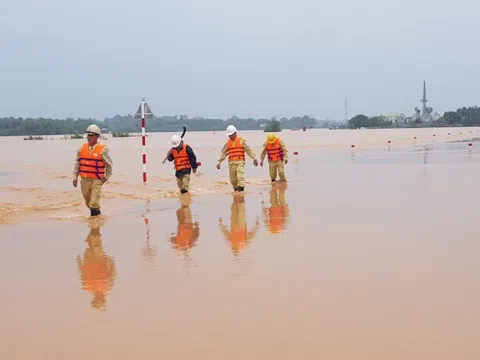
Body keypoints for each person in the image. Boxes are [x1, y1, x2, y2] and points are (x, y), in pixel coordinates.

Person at [76, 218, 117, 311]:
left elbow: (82, 274)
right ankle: (95, 225)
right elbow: (113, 273)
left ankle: (94, 226)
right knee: (96, 242)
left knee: (92, 244)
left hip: (90, 260)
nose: (101, 299)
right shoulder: (107, 287)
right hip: (99, 260)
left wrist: (79, 262)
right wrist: (111, 262)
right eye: (101, 301)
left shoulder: (87, 288)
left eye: (99, 301)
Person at [73, 124, 113, 216]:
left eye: (92, 135)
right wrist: (75, 177)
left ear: (97, 136)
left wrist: (106, 177)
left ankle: (95, 226)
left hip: (97, 180)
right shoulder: (81, 149)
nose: (89, 137)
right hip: (84, 180)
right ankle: (97, 217)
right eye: (88, 135)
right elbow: (77, 163)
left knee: (94, 203)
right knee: (88, 202)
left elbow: (109, 165)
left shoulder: (103, 150)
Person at [216, 125, 258, 192]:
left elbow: (248, 150)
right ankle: (236, 191)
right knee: (233, 180)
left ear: (235, 133)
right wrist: (219, 162)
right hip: (231, 164)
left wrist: (254, 158)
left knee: (240, 177)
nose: (230, 136)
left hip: (240, 162)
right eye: (229, 135)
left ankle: (241, 193)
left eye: (231, 135)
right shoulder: (227, 143)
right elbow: (223, 152)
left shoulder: (241, 141)